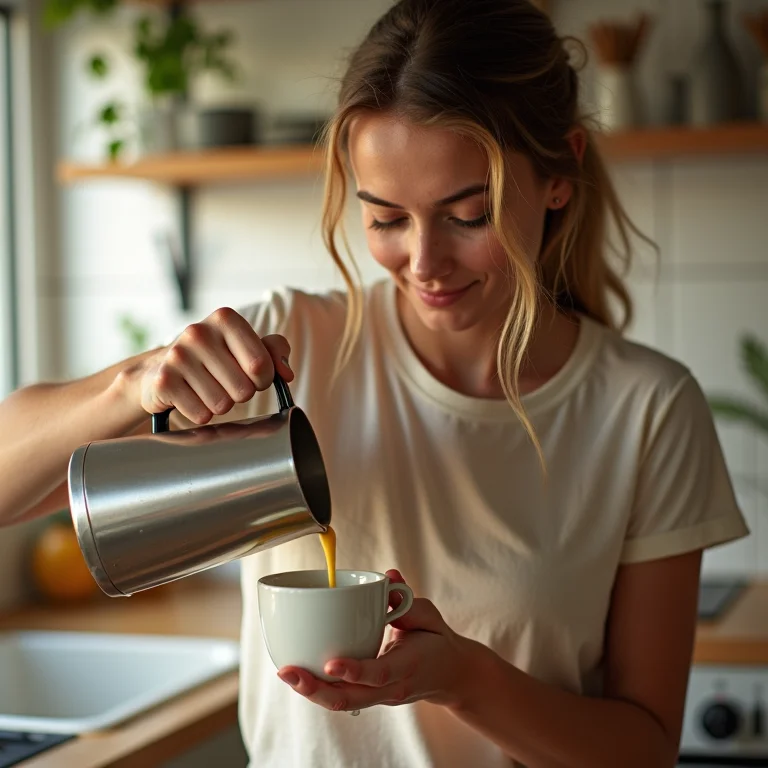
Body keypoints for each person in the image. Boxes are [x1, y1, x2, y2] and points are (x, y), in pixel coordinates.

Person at [0, 0, 749, 765]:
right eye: (387, 219)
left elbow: (645, 749)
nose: (425, 262)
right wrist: (134, 384)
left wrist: (464, 678)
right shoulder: (288, 352)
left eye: (469, 214)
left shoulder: (648, 411)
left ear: (559, 174)